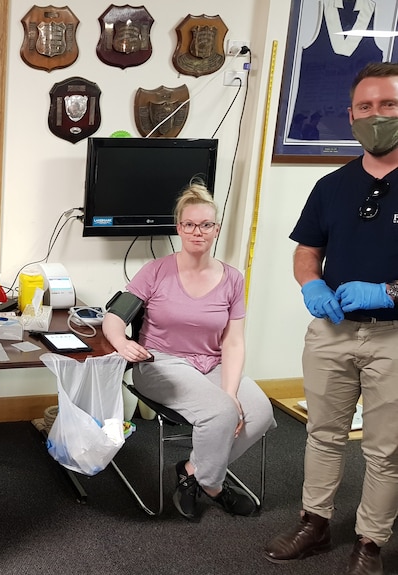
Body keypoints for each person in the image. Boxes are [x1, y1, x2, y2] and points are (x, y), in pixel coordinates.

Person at [264, 62, 398, 575]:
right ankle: (314, 523)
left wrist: (389, 290)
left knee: (386, 450)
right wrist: (311, 283)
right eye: (366, 107)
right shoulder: (331, 186)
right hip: (332, 332)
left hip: (393, 337)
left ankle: (370, 544)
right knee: (323, 433)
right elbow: (307, 252)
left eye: (388, 105)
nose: (376, 115)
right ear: (351, 114)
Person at [102, 181, 276, 521]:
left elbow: (234, 341)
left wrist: (230, 391)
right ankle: (213, 485)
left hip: (211, 363)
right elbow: (113, 316)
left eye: (206, 225)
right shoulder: (155, 271)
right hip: (160, 362)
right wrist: (122, 342)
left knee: (260, 413)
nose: (198, 232)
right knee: (222, 413)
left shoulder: (233, 279)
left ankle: (193, 470)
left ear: (216, 230)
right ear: (179, 228)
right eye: (190, 225)